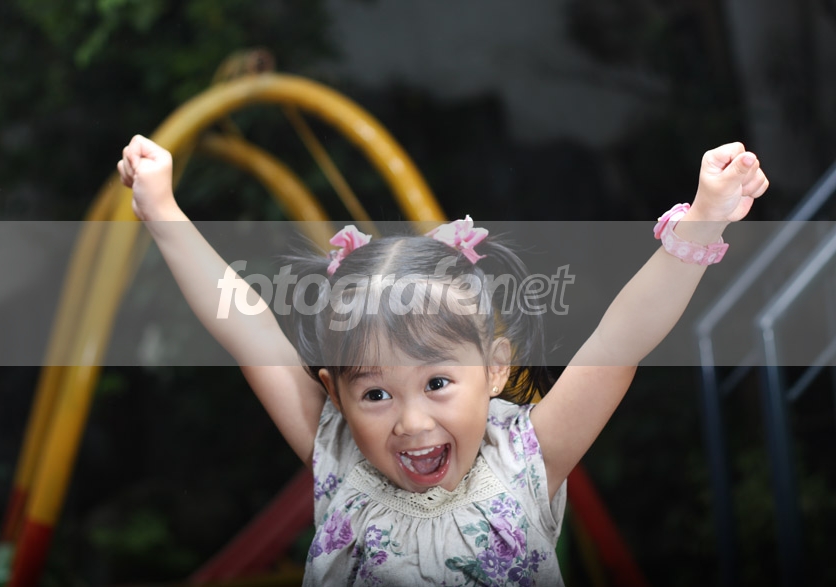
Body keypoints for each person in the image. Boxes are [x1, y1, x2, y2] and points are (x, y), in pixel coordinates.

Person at [117, 135, 768, 586]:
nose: (411, 422)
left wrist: (703, 221)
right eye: (375, 393)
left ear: (494, 368)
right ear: (335, 392)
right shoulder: (337, 454)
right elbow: (248, 327)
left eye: (436, 382)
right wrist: (162, 211)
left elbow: (621, 340)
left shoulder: (525, 460)